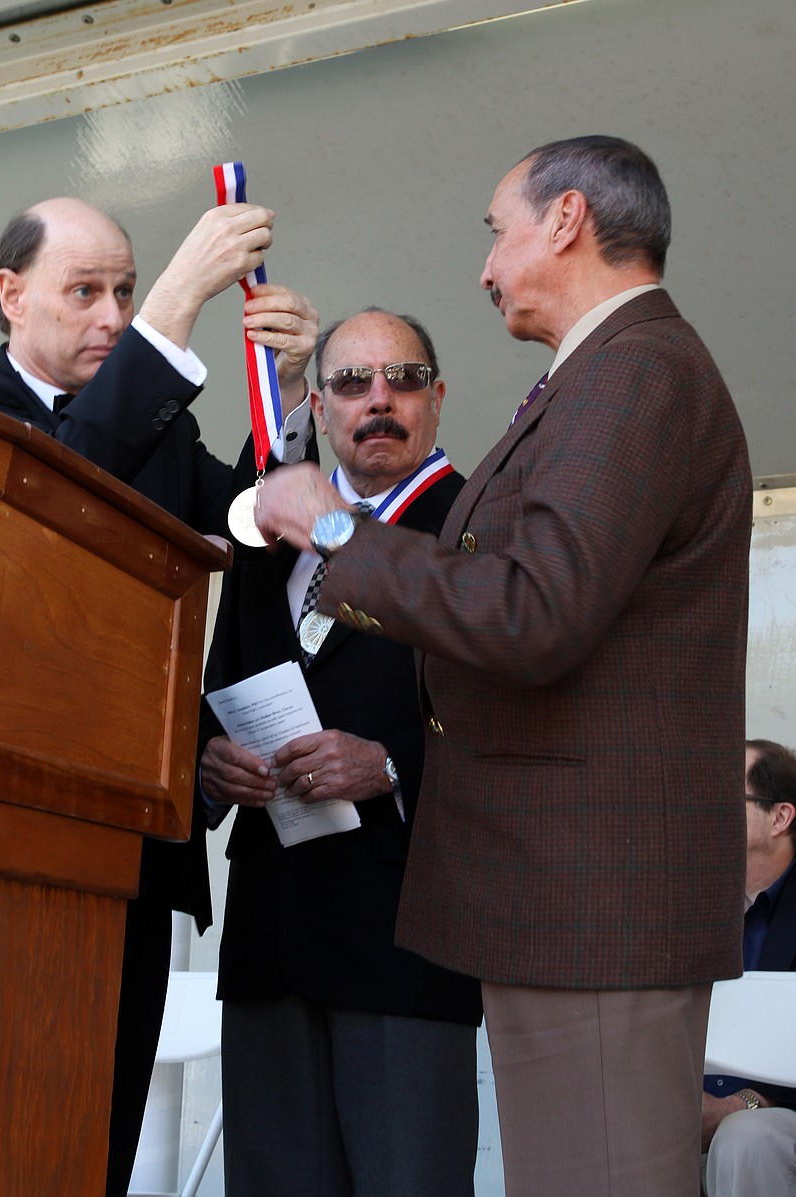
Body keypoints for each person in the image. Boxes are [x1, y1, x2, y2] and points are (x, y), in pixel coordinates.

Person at [251, 136, 753, 1197]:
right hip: (561, 904)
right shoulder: (606, 373)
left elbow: (534, 608)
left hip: (595, 903)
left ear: (565, 220)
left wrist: (338, 535)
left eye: (496, 230)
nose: (485, 266)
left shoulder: (636, 371)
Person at [0, 195, 318, 1197]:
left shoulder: (156, 423)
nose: (112, 315)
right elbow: (55, 499)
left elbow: (246, 533)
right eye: (86, 292)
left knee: (100, 1143)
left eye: (124, 291)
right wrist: (175, 299)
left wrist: (283, 400)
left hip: (130, 850)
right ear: (11, 295)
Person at [199, 307, 483, 1197]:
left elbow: (524, 719)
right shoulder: (264, 526)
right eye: (353, 383)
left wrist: (393, 765)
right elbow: (212, 684)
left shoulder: (481, 524)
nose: (379, 401)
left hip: (404, 936)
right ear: (319, 409)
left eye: (403, 379)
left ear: (437, 399)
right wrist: (211, 763)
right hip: (270, 937)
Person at [702, 738, 796, 1196]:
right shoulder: (691, 903)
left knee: (744, 1139)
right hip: (685, 1105)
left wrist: (745, 1103)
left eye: (727, 796)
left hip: (778, 1114)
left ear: (780, 817)